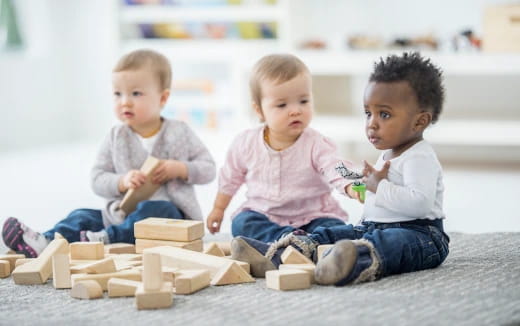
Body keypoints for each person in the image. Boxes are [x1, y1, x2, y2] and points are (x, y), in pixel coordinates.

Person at [231, 52, 450, 283]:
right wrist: (361, 183)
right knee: (334, 234)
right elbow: (353, 177)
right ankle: (283, 254)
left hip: (421, 234)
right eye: (368, 113)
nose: (371, 123)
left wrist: (377, 186)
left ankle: (352, 261)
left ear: (419, 121)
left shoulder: (419, 157)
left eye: (384, 114)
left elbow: (419, 204)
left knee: (390, 243)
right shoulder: (390, 152)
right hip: (374, 228)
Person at [2, 49, 216, 257]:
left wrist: (180, 168)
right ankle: (45, 242)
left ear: (162, 99)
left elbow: (209, 169)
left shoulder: (179, 132)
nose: (125, 101)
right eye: (117, 94)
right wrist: (121, 181)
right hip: (120, 214)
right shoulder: (116, 136)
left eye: (136, 93)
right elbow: (97, 178)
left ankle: (106, 239)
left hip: (171, 218)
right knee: (81, 215)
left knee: (157, 210)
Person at [206, 54, 360, 243]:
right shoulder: (246, 143)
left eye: (303, 101)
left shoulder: (316, 143)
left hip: (313, 215)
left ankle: (299, 244)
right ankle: (290, 240)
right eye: (281, 105)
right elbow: (230, 178)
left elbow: (335, 166)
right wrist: (218, 209)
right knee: (241, 223)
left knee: (334, 228)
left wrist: (351, 184)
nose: (295, 110)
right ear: (259, 110)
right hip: (265, 215)